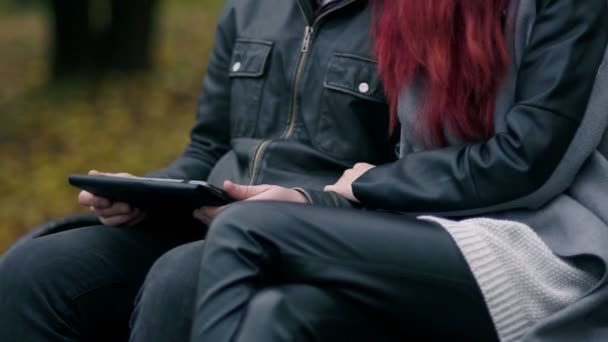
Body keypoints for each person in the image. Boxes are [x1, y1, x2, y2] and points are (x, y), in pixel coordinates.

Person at [184, 0, 608, 341]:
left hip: (547, 246)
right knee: (277, 312)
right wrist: (323, 196)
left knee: (245, 229)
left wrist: (372, 183)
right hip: (434, 227)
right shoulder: (415, 13)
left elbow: (526, 162)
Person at [0, 0, 396, 341]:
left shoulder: (413, 20)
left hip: (313, 235)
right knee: (34, 270)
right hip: (205, 220)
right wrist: (147, 193)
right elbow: (208, 146)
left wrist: (305, 204)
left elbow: (408, 180)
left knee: (181, 279)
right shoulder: (249, 6)